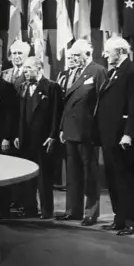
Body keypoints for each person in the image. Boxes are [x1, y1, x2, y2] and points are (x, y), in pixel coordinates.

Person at [95, 37, 134, 236]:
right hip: (109, 136)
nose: (105, 55)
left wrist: (129, 134)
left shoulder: (133, 72)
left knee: (125, 179)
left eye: (109, 52)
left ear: (120, 51)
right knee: (113, 179)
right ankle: (119, 218)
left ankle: (131, 222)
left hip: (122, 138)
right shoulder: (114, 72)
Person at [57, 40, 107, 226]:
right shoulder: (71, 74)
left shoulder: (97, 71)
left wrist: (98, 130)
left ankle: (91, 213)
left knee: (90, 175)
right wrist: (62, 127)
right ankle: (72, 210)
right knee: (72, 174)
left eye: (76, 56)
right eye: (72, 56)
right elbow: (67, 104)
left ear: (86, 54)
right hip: (70, 130)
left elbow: (103, 103)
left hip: (87, 132)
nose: (73, 59)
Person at [14, 57, 63, 219]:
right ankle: (30, 208)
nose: (25, 72)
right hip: (26, 139)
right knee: (28, 176)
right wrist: (18, 135)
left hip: (43, 139)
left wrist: (52, 136)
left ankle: (47, 210)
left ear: (39, 69)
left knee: (44, 177)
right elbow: (20, 114)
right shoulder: (22, 87)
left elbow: (57, 114)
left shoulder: (51, 87)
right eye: (25, 69)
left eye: (29, 68)